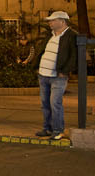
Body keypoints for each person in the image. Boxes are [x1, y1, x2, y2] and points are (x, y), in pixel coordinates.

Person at [35, 10, 79, 140]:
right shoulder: (51, 35)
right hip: (43, 74)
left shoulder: (71, 35)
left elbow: (74, 56)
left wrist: (65, 71)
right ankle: (47, 128)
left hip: (57, 77)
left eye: (52, 20)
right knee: (45, 103)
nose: (50, 23)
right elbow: (42, 51)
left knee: (55, 103)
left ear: (62, 21)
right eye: (49, 21)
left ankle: (58, 130)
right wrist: (37, 67)